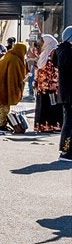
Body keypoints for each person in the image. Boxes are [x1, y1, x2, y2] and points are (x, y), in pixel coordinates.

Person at [0, 42, 29, 131]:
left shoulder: (10, 56)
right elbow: (13, 77)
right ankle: (0, 125)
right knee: (2, 103)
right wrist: (13, 91)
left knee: (0, 104)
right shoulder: (14, 60)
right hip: (0, 84)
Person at [34, 32, 61, 134]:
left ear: (48, 42)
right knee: (43, 106)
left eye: (42, 41)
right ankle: (43, 126)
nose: (41, 43)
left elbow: (56, 70)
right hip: (42, 86)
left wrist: (52, 84)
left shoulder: (54, 52)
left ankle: (52, 126)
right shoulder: (44, 53)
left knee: (51, 106)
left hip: (50, 87)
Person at [55, 26, 72, 159]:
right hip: (70, 94)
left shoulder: (62, 50)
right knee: (69, 124)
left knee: (69, 122)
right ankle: (66, 151)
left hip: (67, 93)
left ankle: (67, 150)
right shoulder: (68, 52)